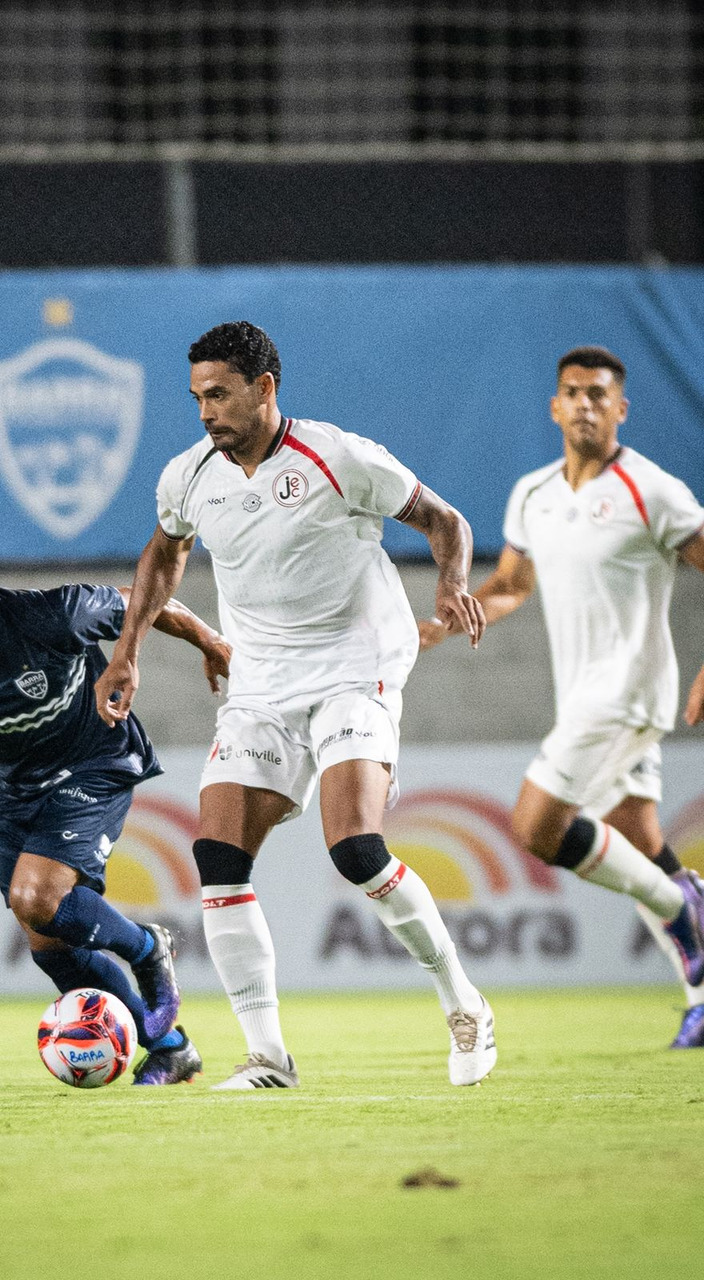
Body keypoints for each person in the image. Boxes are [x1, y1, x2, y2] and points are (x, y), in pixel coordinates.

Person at [94, 320, 497, 1089]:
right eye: (196, 398)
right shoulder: (189, 475)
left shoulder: (339, 457)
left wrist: (449, 582)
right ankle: (268, 1059)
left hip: (356, 667)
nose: (206, 412)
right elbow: (165, 551)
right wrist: (128, 650)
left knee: (356, 852)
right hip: (262, 683)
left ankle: (464, 1002)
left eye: (219, 394)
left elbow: (446, 522)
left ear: (264, 387)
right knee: (217, 857)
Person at [0, 521, 231, 1083]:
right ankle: (170, 1045)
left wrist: (212, 641)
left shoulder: (53, 615)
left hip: (95, 765)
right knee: (47, 943)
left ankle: (148, 947)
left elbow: (143, 602)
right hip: (20, 794)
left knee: (34, 896)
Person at [419, 346, 704, 1048]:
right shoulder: (534, 493)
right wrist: (443, 623)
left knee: (536, 826)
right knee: (639, 841)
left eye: (598, 395)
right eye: (572, 393)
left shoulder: (652, 490)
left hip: (630, 691)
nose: (584, 404)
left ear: (620, 409)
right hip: (579, 693)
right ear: (554, 406)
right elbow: (513, 586)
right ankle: (701, 987)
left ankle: (685, 908)